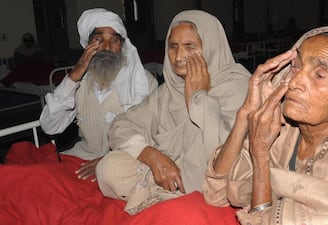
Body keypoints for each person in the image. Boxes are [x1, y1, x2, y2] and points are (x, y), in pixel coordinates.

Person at [202, 26, 328, 225]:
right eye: (295, 66)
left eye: (319, 75)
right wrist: (245, 113)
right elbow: (216, 193)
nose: (294, 81)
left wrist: (260, 156)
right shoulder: (284, 135)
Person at [95, 10, 251, 215]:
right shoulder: (168, 90)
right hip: (168, 175)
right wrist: (151, 156)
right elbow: (120, 125)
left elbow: (223, 155)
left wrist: (199, 98)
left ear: (212, 46)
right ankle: (166, 194)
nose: (178, 57)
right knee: (109, 168)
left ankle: (167, 198)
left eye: (190, 47)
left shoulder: (240, 87)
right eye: (173, 46)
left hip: (213, 182)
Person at [39, 8, 158, 182]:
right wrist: (73, 76)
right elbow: (50, 126)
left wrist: (108, 161)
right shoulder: (78, 84)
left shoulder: (143, 83)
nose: (107, 48)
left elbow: (152, 136)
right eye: (98, 40)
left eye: (114, 40)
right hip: (81, 160)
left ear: (122, 47)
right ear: (87, 45)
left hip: (125, 162)